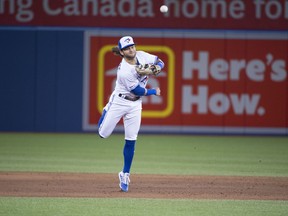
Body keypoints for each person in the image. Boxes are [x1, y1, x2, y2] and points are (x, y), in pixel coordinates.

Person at [97, 36, 165, 192]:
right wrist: (154, 91)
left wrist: (159, 67)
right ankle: (107, 109)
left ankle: (125, 173)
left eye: (132, 46)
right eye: (127, 48)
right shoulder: (124, 71)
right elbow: (137, 90)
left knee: (131, 140)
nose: (131, 50)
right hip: (119, 102)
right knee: (103, 134)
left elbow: (160, 61)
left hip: (135, 105)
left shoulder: (141, 55)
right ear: (122, 52)